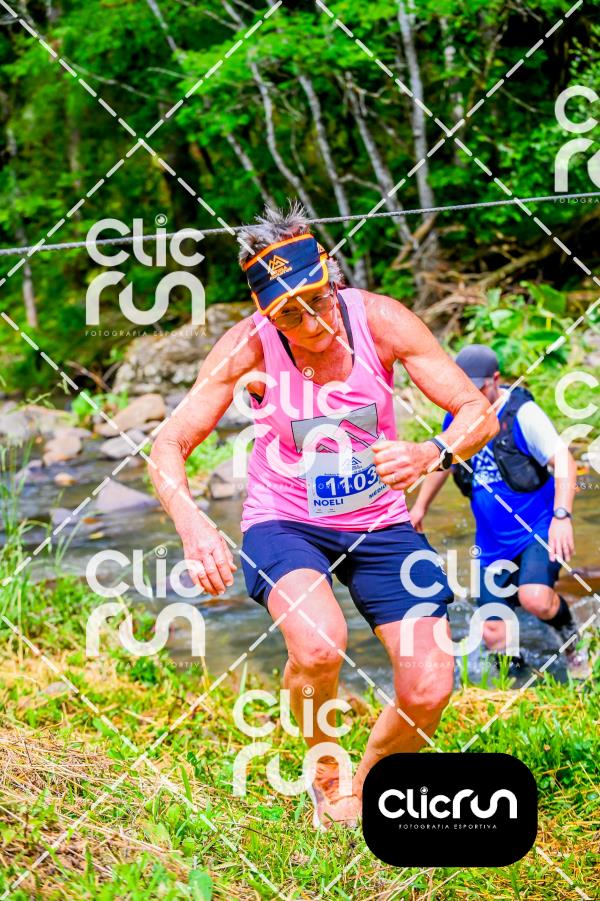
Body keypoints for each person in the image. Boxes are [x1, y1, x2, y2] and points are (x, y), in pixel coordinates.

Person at [148, 202, 499, 828]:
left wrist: (431, 452)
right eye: (288, 312)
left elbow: (477, 411)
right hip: (284, 518)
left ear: (330, 272)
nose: (309, 324)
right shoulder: (248, 345)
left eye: (315, 300)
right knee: (318, 645)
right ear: (262, 309)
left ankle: (367, 788)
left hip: (380, 520)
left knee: (429, 687)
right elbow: (168, 443)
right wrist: (193, 524)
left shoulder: (381, 320)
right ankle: (327, 776)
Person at [410, 344, 589, 678]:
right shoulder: (458, 416)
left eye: (479, 389)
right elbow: (442, 463)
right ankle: (522, 690)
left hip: (537, 528)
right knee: (493, 632)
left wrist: (562, 516)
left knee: (536, 599)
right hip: (492, 542)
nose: (472, 397)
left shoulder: (523, 414)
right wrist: (419, 508)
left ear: (495, 379)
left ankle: (574, 648)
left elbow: (564, 460)